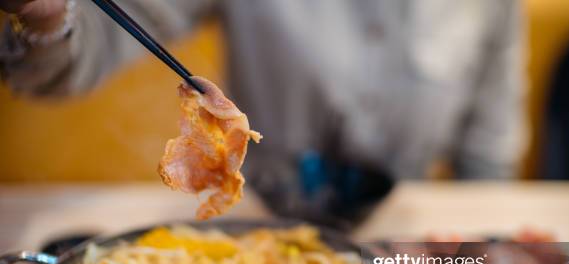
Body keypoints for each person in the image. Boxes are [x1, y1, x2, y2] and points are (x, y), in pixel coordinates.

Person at [0, 0, 526, 221]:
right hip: (257, 220)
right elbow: (72, 55)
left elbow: (489, 151)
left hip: (397, 235)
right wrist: (47, 16)